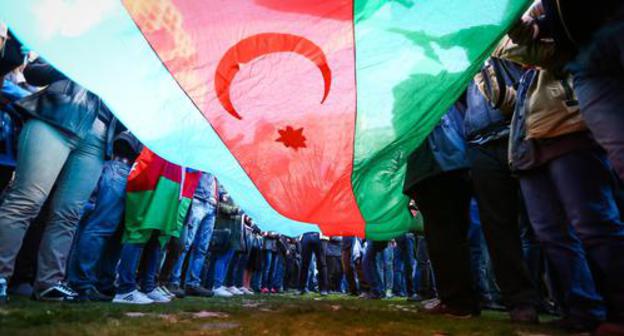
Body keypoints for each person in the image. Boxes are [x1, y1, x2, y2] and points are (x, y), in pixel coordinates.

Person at [501, 12, 624, 331]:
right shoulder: (537, 19)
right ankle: (582, 308)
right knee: (549, 232)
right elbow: (511, 47)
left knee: (594, 223)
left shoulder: (568, 24)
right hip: (529, 142)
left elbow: (534, 49)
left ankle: (618, 310)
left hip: (569, 127)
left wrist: (512, 20)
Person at [0, 57, 121, 303]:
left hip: (97, 139)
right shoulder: (78, 39)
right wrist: (77, 62)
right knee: (26, 200)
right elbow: (33, 73)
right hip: (57, 116)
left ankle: (49, 283)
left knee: (69, 213)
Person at [464, 56, 540, 322]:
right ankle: (520, 300)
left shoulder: (508, 42)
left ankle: (567, 297)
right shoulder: (464, 62)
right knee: (498, 225)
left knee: (541, 221)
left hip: (522, 132)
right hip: (480, 142)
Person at [403, 104, 479, 318]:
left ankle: (456, 301)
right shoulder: (448, 94)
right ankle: (463, 299)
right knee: (456, 237)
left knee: (442, 237)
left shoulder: (417, 103)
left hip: (434, 167)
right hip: (458, 162)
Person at [113, 148, 201, 304]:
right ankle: (125, 289)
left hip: (174, 180)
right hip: (156, 173)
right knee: (140, 231)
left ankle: (148, 286)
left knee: (158, 237)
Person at [67, 132, 142, 301]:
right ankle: (81, 283)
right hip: (120, 165)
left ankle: (102, 284)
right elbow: (122, 140)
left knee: (116, 235)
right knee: (101, 228)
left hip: (133, 172)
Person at [167, 172, 218, 298]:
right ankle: (173, 281)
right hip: (198, 199)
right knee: (186, 244)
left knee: (202, 248)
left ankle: (193, 284)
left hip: (212, 206)